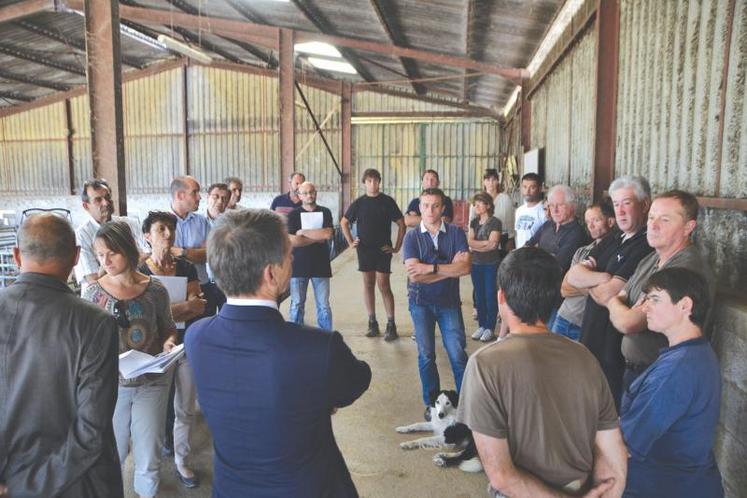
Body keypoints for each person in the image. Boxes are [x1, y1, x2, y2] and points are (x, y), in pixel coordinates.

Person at [185, 209, 372, 497]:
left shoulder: (196, 337)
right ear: (270, 274)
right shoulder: (318, 348)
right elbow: (356, 380)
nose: (293, 260)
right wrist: (317, 394)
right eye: (288, 256)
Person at [457, 247, 627, 498]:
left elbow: (502, 476)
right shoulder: (584, 357)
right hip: (579, 487)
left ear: (501, 297)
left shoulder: (484, 365)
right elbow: (614, 458)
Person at [0, 214, 123, 498]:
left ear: (17, 256)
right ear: (77, 256)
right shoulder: (96, 323)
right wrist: (27, 486)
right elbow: (91, 431)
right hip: (75, 482)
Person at [82, 221, 178, 498]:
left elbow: (168, 326)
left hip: (152, 382)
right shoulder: (92, 294)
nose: (106, 260)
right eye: (100, 254)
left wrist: (169, 342)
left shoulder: (155, 289)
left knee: (149, 456)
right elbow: (84, 342)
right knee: (114, 452)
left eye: (112, 252)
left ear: (127, 249)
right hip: (112, 386)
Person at [621, 267, 723, 497]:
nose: (644, 307)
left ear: (685, 305)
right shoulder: (693, 352)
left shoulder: (678, 368)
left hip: (666, 486)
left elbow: (627, 441)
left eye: (654, 300)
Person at [608, 190, 715, 392]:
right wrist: (617, 302)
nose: (653, 225)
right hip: (639, 371)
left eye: (664, 220)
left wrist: (615, 303)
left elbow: (629, 322)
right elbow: (619, 296)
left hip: (663, 377)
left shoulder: (684, 268)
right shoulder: (651, 259)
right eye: (651, 217)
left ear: (688, 227)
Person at [568, 176, 654, 407]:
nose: (621, 211)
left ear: (645, 205)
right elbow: (573, 276)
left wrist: (590, 283)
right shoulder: (615, 237)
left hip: (614, 352)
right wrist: (604, 278)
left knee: (608, 413)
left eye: (627, 203)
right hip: (590, 339)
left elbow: (610, 295)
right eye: (616, 205)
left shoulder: (646, 244)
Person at [138, 211, 206, 489]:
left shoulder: (186, 267)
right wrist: (183, 307)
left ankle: (181, 460)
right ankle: (150, 467)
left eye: (171, 230)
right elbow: (145, 316)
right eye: (161, 229)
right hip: (155, 349)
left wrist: (171, 309)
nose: (168, 235)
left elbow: (198, 304)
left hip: (185, 344)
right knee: (153, 410)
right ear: (147, 236)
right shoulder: (141, 272)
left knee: (185, 408)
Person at [403, 188, 471, 419]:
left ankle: (466, 404)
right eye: (425, 205)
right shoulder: (411, 237)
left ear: (443, 208)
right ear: (419, 207)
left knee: (457, 353)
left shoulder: (456, 233)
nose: (430, 210)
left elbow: (466, 267)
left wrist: (430, 268)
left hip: (448, 303)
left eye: (435, 206)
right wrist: (450, 270)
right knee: (426, 355)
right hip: (420, 303)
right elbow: (414, 275)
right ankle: (432, 403)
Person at [340, 168, 406, 341]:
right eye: (369, 181)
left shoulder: (387, 201)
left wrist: (397, 247)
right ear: (364, 183)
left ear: (379, 182)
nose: (373, 184)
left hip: (383, 250)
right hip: (365, 250)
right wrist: (350, 241)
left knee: (384, 285)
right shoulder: (359, 203)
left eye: (376, 180)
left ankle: (391, 324)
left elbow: (402, 223)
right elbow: (344, 222)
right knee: (368, 284)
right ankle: (372, 322)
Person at [551, 202, 616, 341]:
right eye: (587, 222)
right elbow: (564, 288)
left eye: (596, 220)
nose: (590, 226)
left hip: (585, 325)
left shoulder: (616, 253)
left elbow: (609, 290)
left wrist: (580, 282)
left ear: (610, 221)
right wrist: (592, 286)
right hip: (564, 316)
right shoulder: (582, 251)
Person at [74, 178, 145, 291]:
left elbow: (150, 255)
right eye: (98, 200)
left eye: (107, 197)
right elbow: (93, 279)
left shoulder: (130, 224)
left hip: (133, 290)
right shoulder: (81, 235)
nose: (106, 203)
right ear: (86, 206)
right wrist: (129, 263)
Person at [170, 176, 224, 315]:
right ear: (180, 195)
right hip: (172, 287)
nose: (199, 197)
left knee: (204, 331)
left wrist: (182, 252)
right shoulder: (160, 224)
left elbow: (209, 254)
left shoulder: (202, 222)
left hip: (202, 286)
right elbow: (162, 255)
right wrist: (195, 252)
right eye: (195, 192)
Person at [287, 181, 334, 330]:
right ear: (299, 196)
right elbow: (293, 241)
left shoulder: (325, 212)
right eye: (305, 193)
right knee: (296, 304)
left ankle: (326, 337)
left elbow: (327, 234)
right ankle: (295, 337)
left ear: (316, 193)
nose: (309, 195)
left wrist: (303, 232)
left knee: (324, 305)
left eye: (312, 192)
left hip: (321, 266)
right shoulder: (294, 215)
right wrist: (316, 237)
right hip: (298, 266)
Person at [526, 184, 590, 274]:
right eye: (551, 205)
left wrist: (535, 253)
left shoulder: (576, 233)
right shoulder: (547, 225)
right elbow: (527, 246)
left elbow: (557, 265)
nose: (555, 210)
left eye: (560, 205)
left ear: (572, 206)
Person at [468, 191, 502, 343]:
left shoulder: (495, 222)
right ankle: (481, 325)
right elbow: (469, 242)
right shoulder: (473, 222)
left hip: (490, 264)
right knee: (479, 296)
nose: (477, 206)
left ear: (488, 205)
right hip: (476, 264)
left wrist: (477, 245)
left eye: (480, 203)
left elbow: (493, 245)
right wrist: (484, 244)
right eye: (475, 203)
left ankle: (490, 327)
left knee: (490, 295)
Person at [513, 172, 546, 248]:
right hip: (520, 256)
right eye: (525, 187)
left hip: (535, 257)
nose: (527, 191)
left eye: (532, 187)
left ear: (540, 188)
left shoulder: (544, 211)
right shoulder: (519, 210)